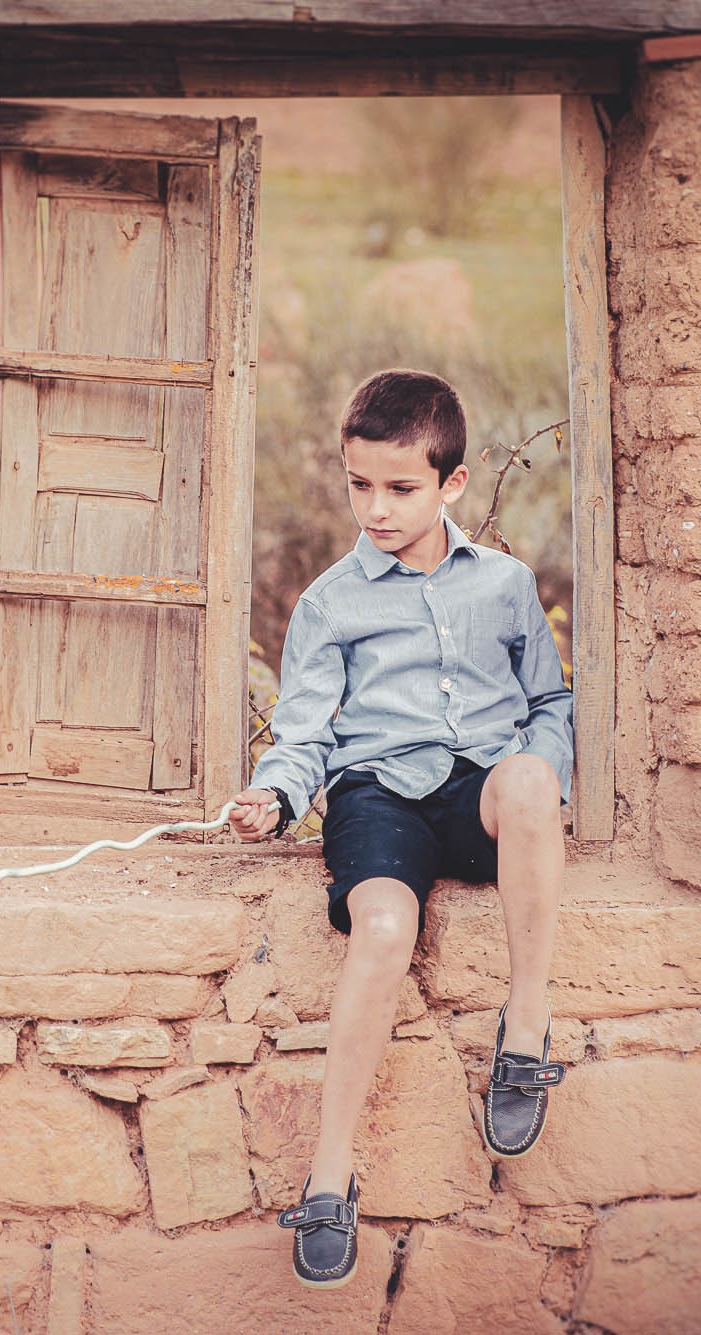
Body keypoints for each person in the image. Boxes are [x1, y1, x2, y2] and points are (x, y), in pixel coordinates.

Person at [227, 368, 574, 1291]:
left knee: (535, 778)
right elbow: (303, 732)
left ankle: (527, 1028)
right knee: (383, 928)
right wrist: (276, 794)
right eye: (359, 484)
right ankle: (330, 1175)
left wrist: (532, 776)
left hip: (478, 794)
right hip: (379, 793)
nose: (374, 507)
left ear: (452, 484)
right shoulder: (332, 603)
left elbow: (549, 701)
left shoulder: (503, 586)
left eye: (400, 487)